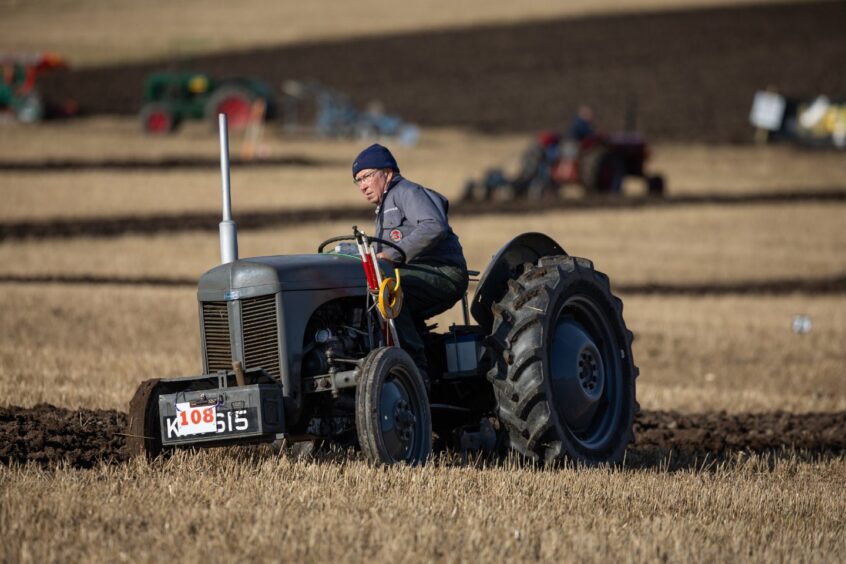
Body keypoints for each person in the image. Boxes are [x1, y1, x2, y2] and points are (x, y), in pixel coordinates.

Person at [351, 143, 469, 384]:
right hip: (418, 273)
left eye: (366, 176)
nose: (362, 185)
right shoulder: (384, 208)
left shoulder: (406, 192)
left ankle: (414, 368)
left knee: (389, 292)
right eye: (358, 181)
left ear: (387, 172)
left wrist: (395, 255)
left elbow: (434, 226)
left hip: (443, 272)